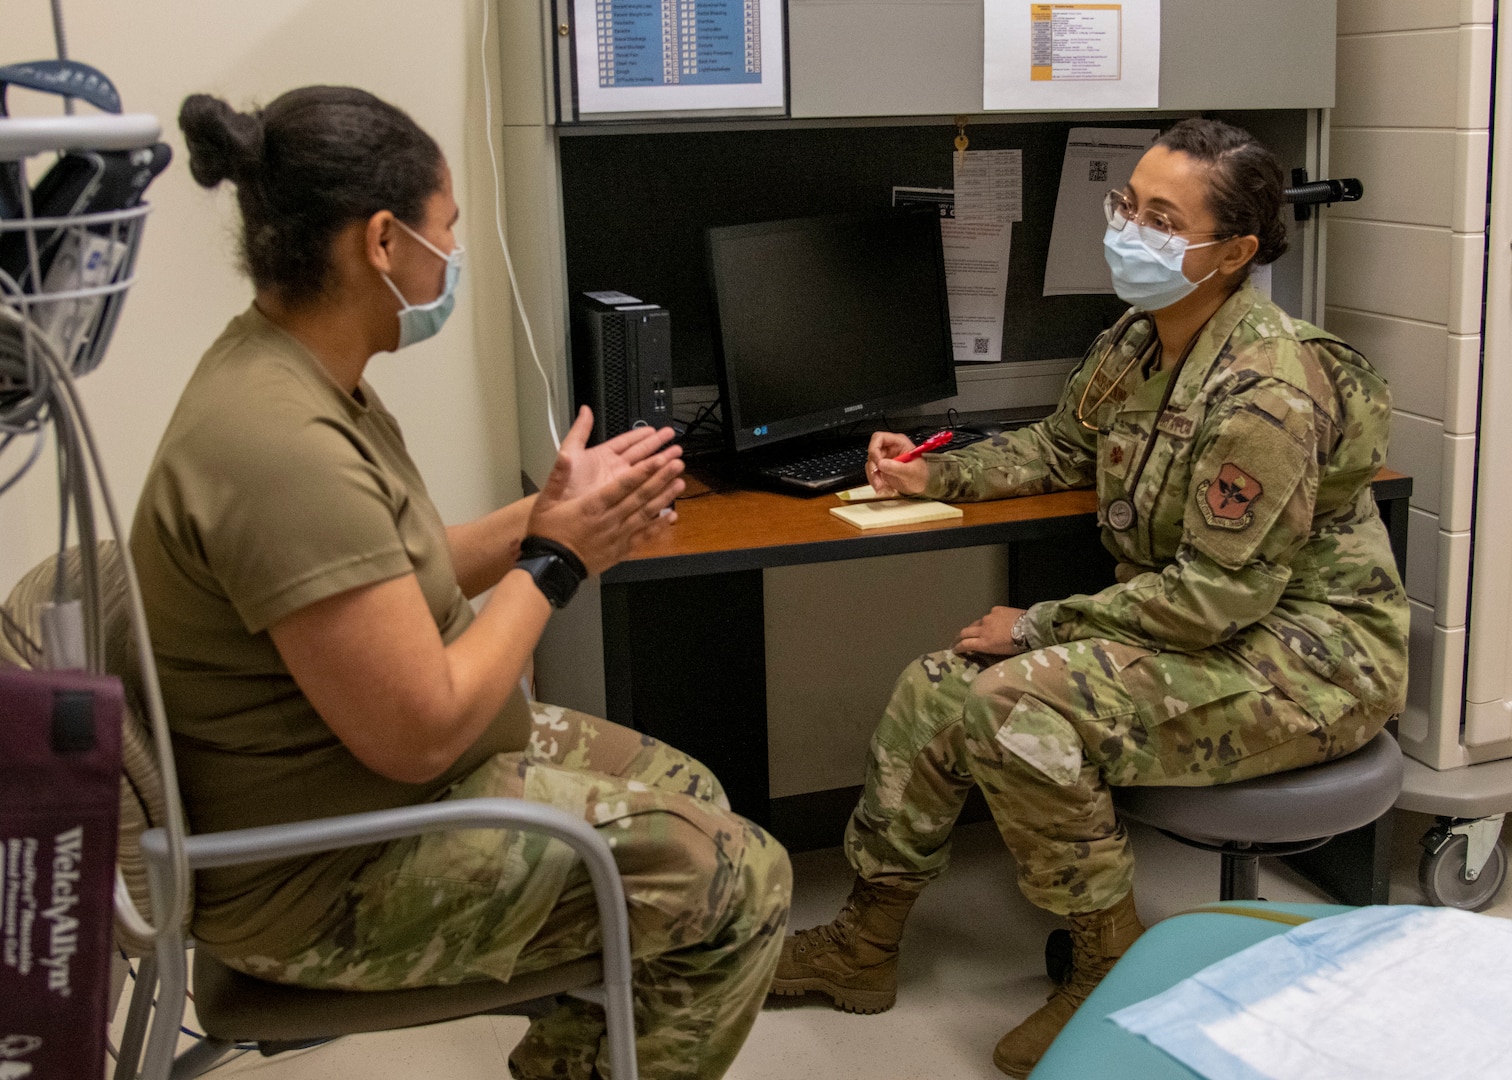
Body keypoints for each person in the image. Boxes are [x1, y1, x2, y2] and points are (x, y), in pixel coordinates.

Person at [130, 86, 790, 1080]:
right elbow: (422, 730)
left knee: (692, 791)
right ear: (384, 243)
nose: (456, 258)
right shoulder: (279, 445)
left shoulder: (297, 374)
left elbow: (392, 566)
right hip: (324, 875)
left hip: (361, 796)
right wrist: (556, 559)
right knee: (743, 880)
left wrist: (552, 514)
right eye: (450, 231)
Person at [768, 118, 1408, 1077]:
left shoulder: (1266, 391)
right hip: (1211, 622)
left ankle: (1109, 968)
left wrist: (1036, 625)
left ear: (1233, 252)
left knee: (1015, 702)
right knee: (939, 683)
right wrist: (931, 476)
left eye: (1161, 217)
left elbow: (1213, 600)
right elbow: (1062, 447)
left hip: (1308, 657)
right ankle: (866, 940)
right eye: (1127, 205)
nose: (1129, 230)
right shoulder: (1139, 339)